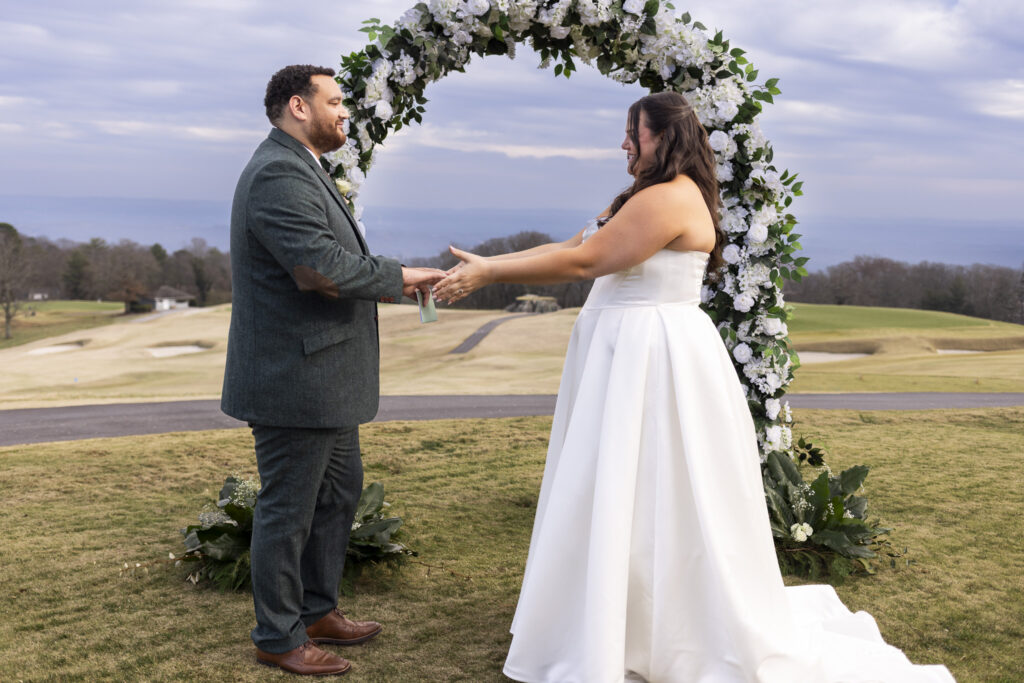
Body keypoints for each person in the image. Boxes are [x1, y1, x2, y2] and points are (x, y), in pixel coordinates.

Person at [433, 92, 954, 683]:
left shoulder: (669, 199)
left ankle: (668, 627)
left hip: (650, 359)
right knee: (619, 485)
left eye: (635, 132)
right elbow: (570, 247)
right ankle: (616, 617)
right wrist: (485, 263)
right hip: (623, 354)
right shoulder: (642, 196)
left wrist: (491, 274)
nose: (625, 143)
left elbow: (587, 265)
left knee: (660, 485)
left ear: (666, 137)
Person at [221, 64, 444, 677]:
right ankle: (278, 636)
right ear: (298, 106)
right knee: (287, 510)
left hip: (324, 381)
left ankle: (318, 610)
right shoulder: (276, 173)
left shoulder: (303, 168)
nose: (345, 112)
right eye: (336, 101)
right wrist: (402, 278)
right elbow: (318, 269)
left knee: (339, 493)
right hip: (295, 379)